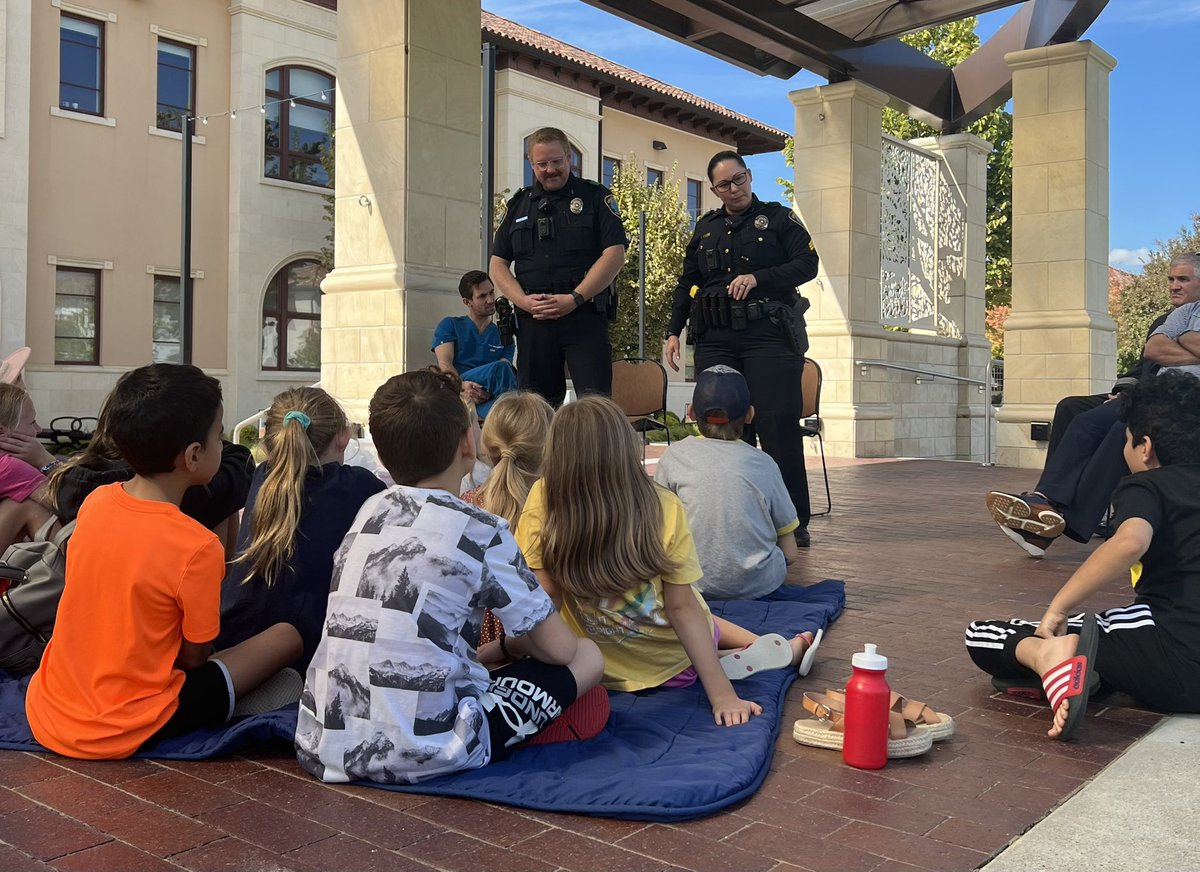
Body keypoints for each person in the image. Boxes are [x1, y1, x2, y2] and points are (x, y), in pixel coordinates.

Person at [295, 369, 604, 784]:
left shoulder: (369, 511)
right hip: (431, 750)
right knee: (588, 657)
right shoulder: (480, 528)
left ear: (384, 456)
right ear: (466, 441)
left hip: (325, 744)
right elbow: (560, 650)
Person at [25, 364, 303, 760]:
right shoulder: (196, 546)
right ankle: (232, 699)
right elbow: (193, 659)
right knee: (286, 637)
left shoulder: (96, 503)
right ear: (193, 456)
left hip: (53, 706)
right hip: (127, 723)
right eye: (218, 435)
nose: (222, 446)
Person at [515, 396, 818, 728]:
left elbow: (545, 601)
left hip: (595, 667)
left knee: (694, 617)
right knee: (695, 611)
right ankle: (755, 649)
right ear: (627, 448)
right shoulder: (663, 506)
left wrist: (508, 647)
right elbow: (681, 610)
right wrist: (722, 695)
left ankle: (748, 651)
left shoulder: (543, 498)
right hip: (672, 667)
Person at [966, 372, 1200, 741]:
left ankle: (1049, 658)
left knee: (986, 634)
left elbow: (1129, 542)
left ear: (1146, 448)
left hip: (1176, 658)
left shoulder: (1147, 485)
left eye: (1125, 439)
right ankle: (1090, 673)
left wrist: (1058, 608)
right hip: (1173, 664)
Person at [987, 254, 1200, 557]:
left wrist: (1180, 341)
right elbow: (1152, 353)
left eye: (1183, 280)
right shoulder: (1176, 316)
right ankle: (1045, 500)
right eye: (1171, 279)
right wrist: (1125, 389)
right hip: (1148, 391)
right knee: (1076, 411)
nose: (1174, 286)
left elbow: (1165, 352)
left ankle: (1065, 521)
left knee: (1122, 428)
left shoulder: (1179, 321)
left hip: (1181, 399)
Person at [665, 151, 819, 547]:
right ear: (714, 189)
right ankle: (732, 516)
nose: (733, 190)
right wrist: (672, 331)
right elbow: (687, 283)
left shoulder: (779, 219)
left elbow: (807, 264)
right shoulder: (706, 228)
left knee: (776, 426)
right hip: (716, 337)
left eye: (739, 180)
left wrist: (758, 277)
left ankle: (792, 523)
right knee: (724, 426)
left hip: (768, 335)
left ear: (749, 176)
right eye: (723, 185)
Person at [216, 387, 386, 670]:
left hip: (237, 641)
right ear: (344, 437)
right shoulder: (361, 485)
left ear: (269, 445)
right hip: (312, 651)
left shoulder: (263, 477)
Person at [489, 127, 627, 406]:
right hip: (534, 321)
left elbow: (615, 255)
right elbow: (497, 264)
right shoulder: (517, 205)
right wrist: (523, 302)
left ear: (568, 158)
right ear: (531, 163)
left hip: (583, 315)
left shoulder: (595, 197)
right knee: (535, 410)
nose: (550, 169)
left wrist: (574, 299)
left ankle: (594, 452)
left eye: (556, 161)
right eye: (542, 164)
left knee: (595, 407)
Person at [654, 365, 799, 600]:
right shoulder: (764, 463)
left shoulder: (673, 456)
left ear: (690, 412)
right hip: (758, 586)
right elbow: (790, 552)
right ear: (750, 415)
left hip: (689, 584)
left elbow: (655, 527)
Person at [433, 270, 517, 418]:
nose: (490, 300)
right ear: (467, 302)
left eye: (491, 293)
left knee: (507, 413)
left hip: (488, 396)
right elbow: (445, 365)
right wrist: (461, 387)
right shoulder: (450, 325)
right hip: (460, 391)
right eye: (482, 296)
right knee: (502, 369)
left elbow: (505, 379)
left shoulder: (503, 335)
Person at [0, 383, 57, 552]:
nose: (38, 430)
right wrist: (46, 460)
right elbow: (67, 502)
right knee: (28, 505)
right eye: (32, 422)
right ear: (2, 432)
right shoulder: (9, 466)